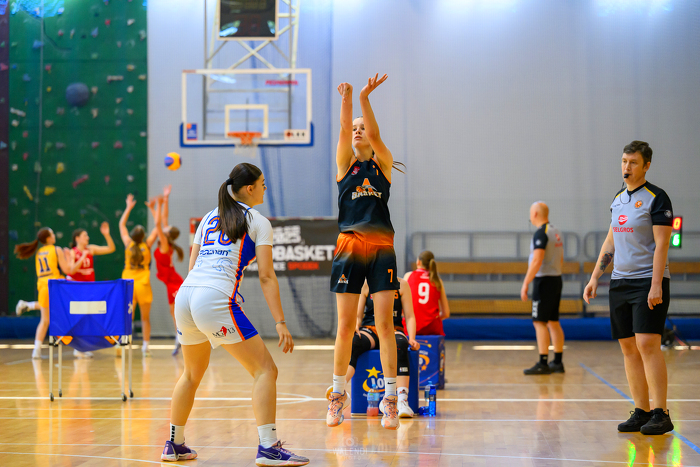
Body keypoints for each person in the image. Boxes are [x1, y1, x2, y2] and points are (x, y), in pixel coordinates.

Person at [161, 163, 308, 466]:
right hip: (214, 298)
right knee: (266, 370)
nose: (265, 188)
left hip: (186, 296)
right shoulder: (258, 221)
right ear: (250, 188)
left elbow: (192, 267)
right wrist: (280, 321)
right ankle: (268, 447)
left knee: (190, 374)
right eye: (262, 183)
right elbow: (266, 276)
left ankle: (174, 444)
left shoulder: (207, 217)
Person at [328, 74, 405, 430]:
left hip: (381, 248)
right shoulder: (345, 164)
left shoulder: (382, 164)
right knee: (346, 326)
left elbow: (373, 133)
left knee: (386, 324)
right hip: (349, 247)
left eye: (363, 128)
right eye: (355, 128)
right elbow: (345, 130)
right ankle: (337, 395)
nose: (358, 131)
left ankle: (390, 399)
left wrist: (363, 98)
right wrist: (346, 102)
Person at [584, 140, 674, 435]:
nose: (627, 167)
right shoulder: (618, 199)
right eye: (624, 161)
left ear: (646, 165)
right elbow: (610, 241)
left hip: (647, 281)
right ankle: (641, 410)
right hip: (620, 282)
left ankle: (661, 413)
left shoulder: (657, 198)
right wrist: (595, 277)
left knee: (647, 343)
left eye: (633, 162)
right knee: (628, 347)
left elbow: (662, 244)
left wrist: (656, 284)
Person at [326, 278, 420, 418]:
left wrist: (412, 338)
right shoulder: (365, 284)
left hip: (393, 329)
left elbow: (410, 316)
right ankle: (340, 390)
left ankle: (402, 401)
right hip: (371, 328)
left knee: (401, 344)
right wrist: (356, 325)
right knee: (355, 342)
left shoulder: (402, 284)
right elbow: (358, 315)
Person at [14, 228, 75, 359]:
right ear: (48, 238)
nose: (54, 235)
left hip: (42, 286)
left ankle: (36, 350)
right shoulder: (56, 249)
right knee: (71, 309)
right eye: (52, 233)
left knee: (45, 319)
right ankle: (80, 347)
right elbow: (67, 270)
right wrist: (70, 258)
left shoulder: (39, 252)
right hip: (55, 285)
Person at [520, 202, 565, 375]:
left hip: (544, 281)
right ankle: (558, 362)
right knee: (553, 322)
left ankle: (543, 362)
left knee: (539, 322)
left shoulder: (541, 233)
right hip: (556, 279)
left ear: (535, 214)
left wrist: (526, 282)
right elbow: (561, 258)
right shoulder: (555, 231)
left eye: (530, 213)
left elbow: (537, 260)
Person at [65, 221, 117, 358]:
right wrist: (82, 257)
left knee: (88, 318)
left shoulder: (91, 249)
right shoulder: (72, 252)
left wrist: (107, 235)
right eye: (85, 235)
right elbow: (71, 270)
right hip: (77, 290)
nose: (87, 237)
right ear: (77, 238)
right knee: (79, 318)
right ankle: (78, 347)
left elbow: (111, 248)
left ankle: (81, 348)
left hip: (89, 289)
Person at [119, 194, 158, 357]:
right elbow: (157, 227)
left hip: (128, 283)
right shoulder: (147, 244)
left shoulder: (128, 243)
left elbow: (121, 224)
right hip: (142, 283)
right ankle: (145, 347)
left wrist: (128, 207)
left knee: (126, 316)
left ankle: (123, 344)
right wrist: (153, 209)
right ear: (143, 236)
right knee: (145, 318)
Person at [150, 186, 185, 356]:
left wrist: (158, 205)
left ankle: (182, 337)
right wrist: (165, 199)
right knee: (175, 311)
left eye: (168, 226)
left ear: (168, 233)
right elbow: (163, 219)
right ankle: (181, 336)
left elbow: (158, 222)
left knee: (177, 311)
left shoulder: (164, 242)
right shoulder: (165, 240)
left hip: (174, 282)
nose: (166, 224)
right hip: (170, 281)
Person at [403, 251, 450, 336]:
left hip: (410, 327)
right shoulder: (437, 280)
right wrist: (430, 319)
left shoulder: (408, 276)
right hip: (432, 327)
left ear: (418, 262)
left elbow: (401, 307)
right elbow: (446, 313)